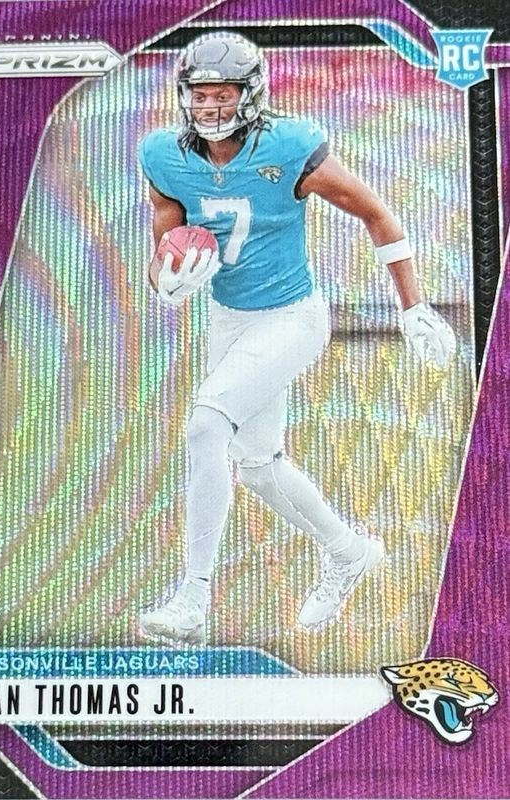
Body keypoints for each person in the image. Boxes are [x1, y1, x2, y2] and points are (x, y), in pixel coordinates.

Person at [137, 31, 455, 645]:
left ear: (250, 93)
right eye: (200, 94)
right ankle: (348, 551)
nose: (209, 107)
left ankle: (192, 599)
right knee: (258, 468)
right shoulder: (164, 155)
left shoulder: (288, 146)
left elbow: (376, 213)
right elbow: (163, 247)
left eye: (223, 94)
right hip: (228, 320)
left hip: (292, 317)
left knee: (207, 425)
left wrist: (413, 305)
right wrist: (166, 282)